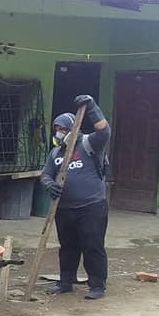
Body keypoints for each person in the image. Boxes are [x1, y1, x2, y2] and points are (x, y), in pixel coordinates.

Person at [40, 95, 112, 300]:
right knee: (68, 248)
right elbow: (45, 175)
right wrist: (50, 185)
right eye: (56, 129)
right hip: (64, 209)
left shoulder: (90, 143)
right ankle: (65, 282)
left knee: (92, 246)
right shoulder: (55, 153)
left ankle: (97, 285)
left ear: (73, 129)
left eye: (62, 129)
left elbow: (104, 131)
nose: (58, 133)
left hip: (92, 207)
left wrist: (92, 108)